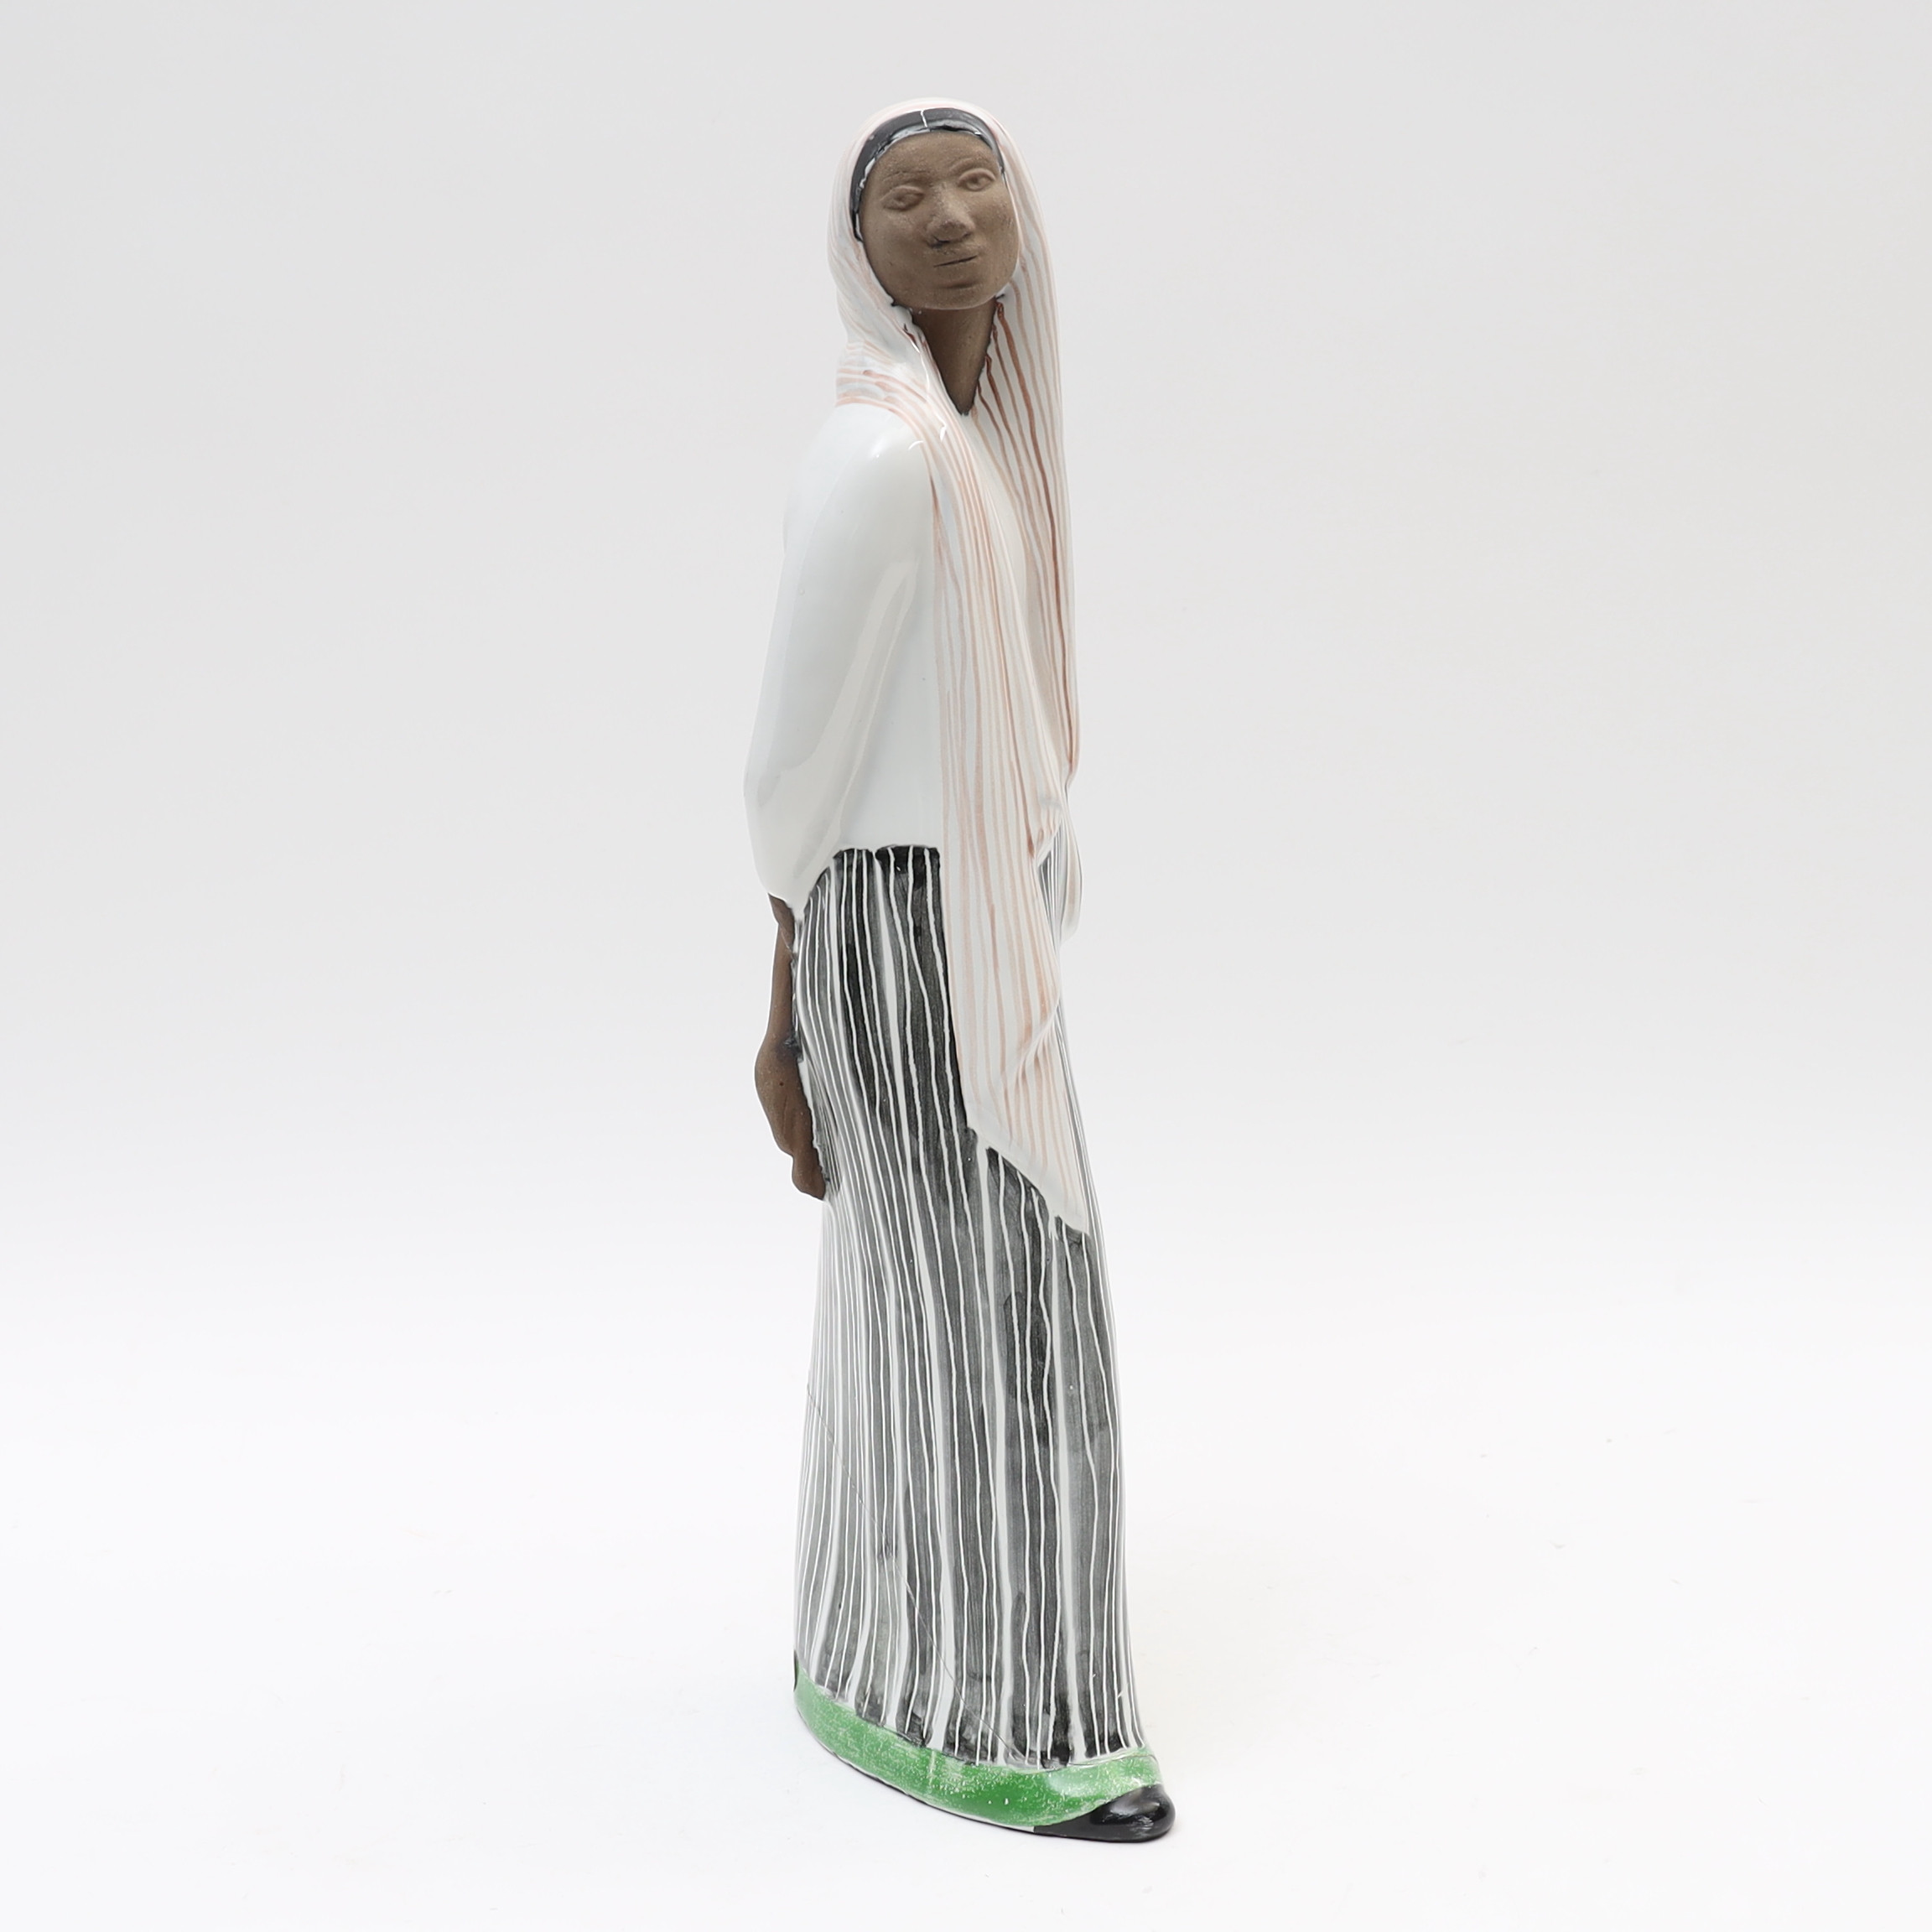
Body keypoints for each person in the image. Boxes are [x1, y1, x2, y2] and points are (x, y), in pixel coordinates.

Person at [745, 101, 1172, 1842]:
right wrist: (788, 994)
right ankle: (1005, 1718)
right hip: (901, 929)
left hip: (971, 923)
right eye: (903, 196)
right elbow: (793, 764)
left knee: (954, 1307)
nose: (949, 216)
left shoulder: (986, 449)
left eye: (977, 179)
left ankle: (896, 1664)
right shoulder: (884, 461)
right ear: (857, 248)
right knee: (1001, 1317)